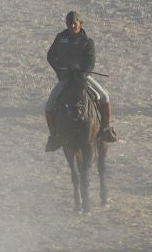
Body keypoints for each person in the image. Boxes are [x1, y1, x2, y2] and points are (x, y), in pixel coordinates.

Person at [44, 11, 118, 150]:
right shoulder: (60, 38)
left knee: (104, 96)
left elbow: (90, 62)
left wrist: (83, 72)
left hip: (82, 78)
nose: (72, 25)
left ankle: (106, 129)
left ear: (80, 24)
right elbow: (51, 56)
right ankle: (54, 136)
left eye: (75, 23)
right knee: (49, 105)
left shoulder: (87, 42)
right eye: (70, 23)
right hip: (65, 78)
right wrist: (60, 69)